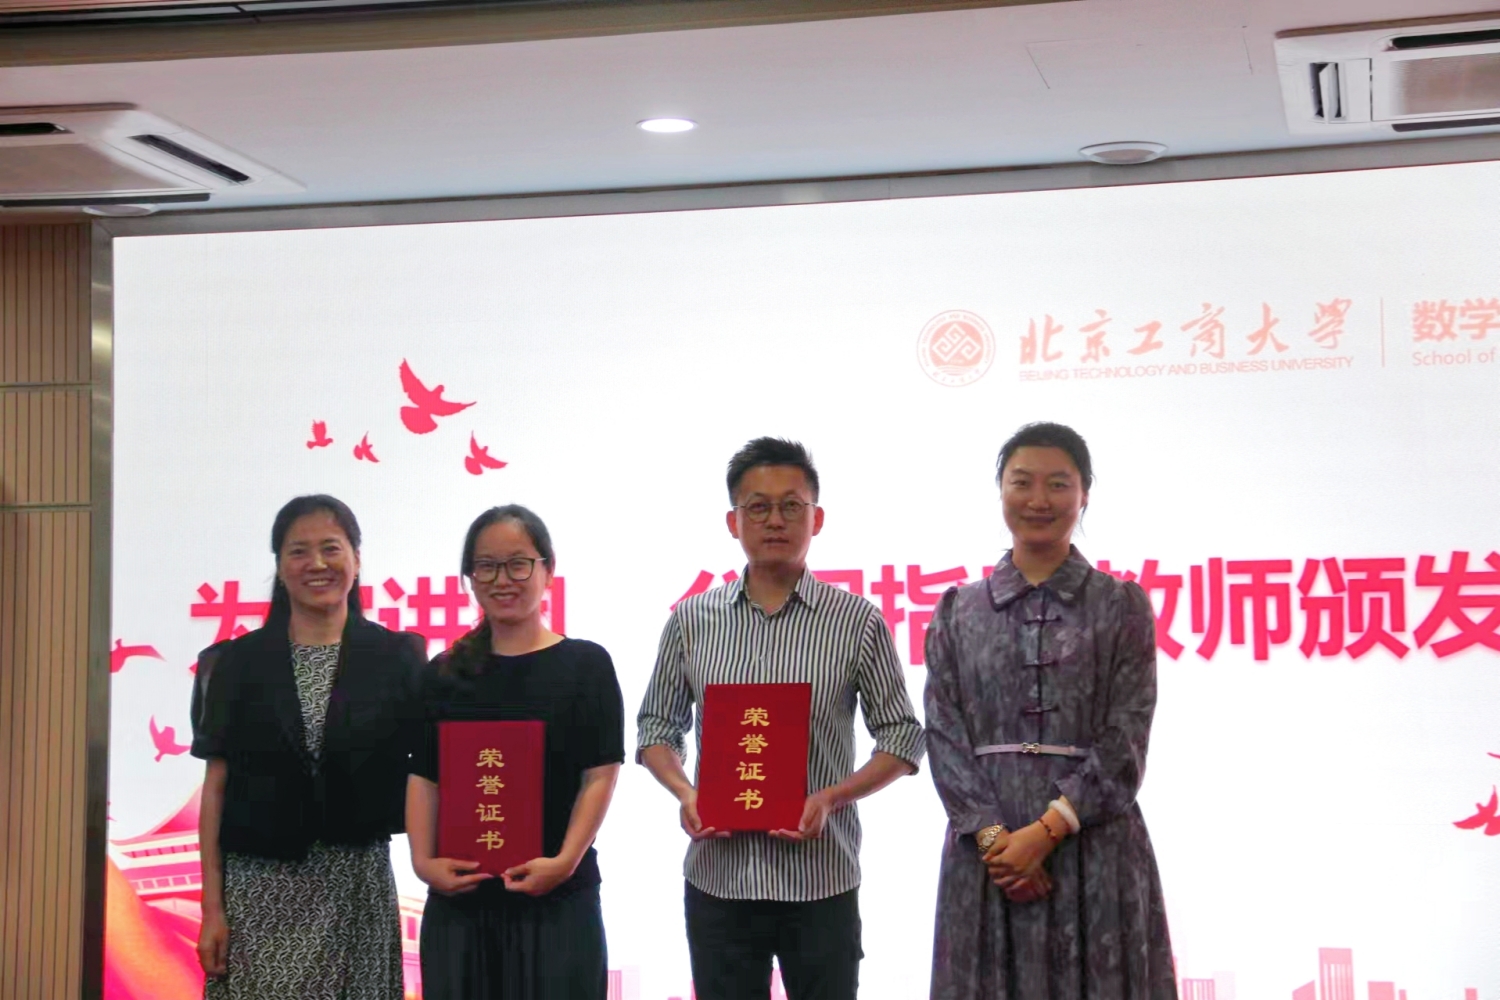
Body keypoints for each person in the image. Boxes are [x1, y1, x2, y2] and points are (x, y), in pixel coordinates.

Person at [637, 437, 926, 1000]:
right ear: (733, 521)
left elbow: (902, 736)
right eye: (758, 507)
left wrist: (832, 797)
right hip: (719, 879)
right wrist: (685, 792)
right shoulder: (692, 620)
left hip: (821, 878)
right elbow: (656, 727)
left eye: (791, 506)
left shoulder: (857, 621)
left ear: (817, 518)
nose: (775, 520)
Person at [923, 422, 1176, 1000]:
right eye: (1022, 482)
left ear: (1084, 494)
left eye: (1058, 484)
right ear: (1001, 491)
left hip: (1094, 843)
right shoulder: (959, 609)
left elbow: (1127, 733)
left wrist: (1046, 831)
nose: (1039, 499)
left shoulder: (1121, 605)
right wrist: (996, 841)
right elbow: (944, 731)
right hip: (986, 854)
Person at [190, 494, 425, 1000]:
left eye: (331, 548)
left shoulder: (397, 658)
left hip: (356, 890)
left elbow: (427, 773)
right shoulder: (235, 664)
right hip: (259, 895)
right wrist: (212, 908)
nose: (316, 564)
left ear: (356, 559)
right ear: (279, 566)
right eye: (298, 551)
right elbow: (216, 789)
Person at [407, 504, 624, 999]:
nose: (502, 579)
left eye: (518, 564)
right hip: (463, 902)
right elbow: (423, 776)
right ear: (470, 576)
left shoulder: (585, 665)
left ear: (548, 569)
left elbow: (601, 773)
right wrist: (422, 862)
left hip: (559, 900)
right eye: (486, 566)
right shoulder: (444, 673)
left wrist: (565, 861)